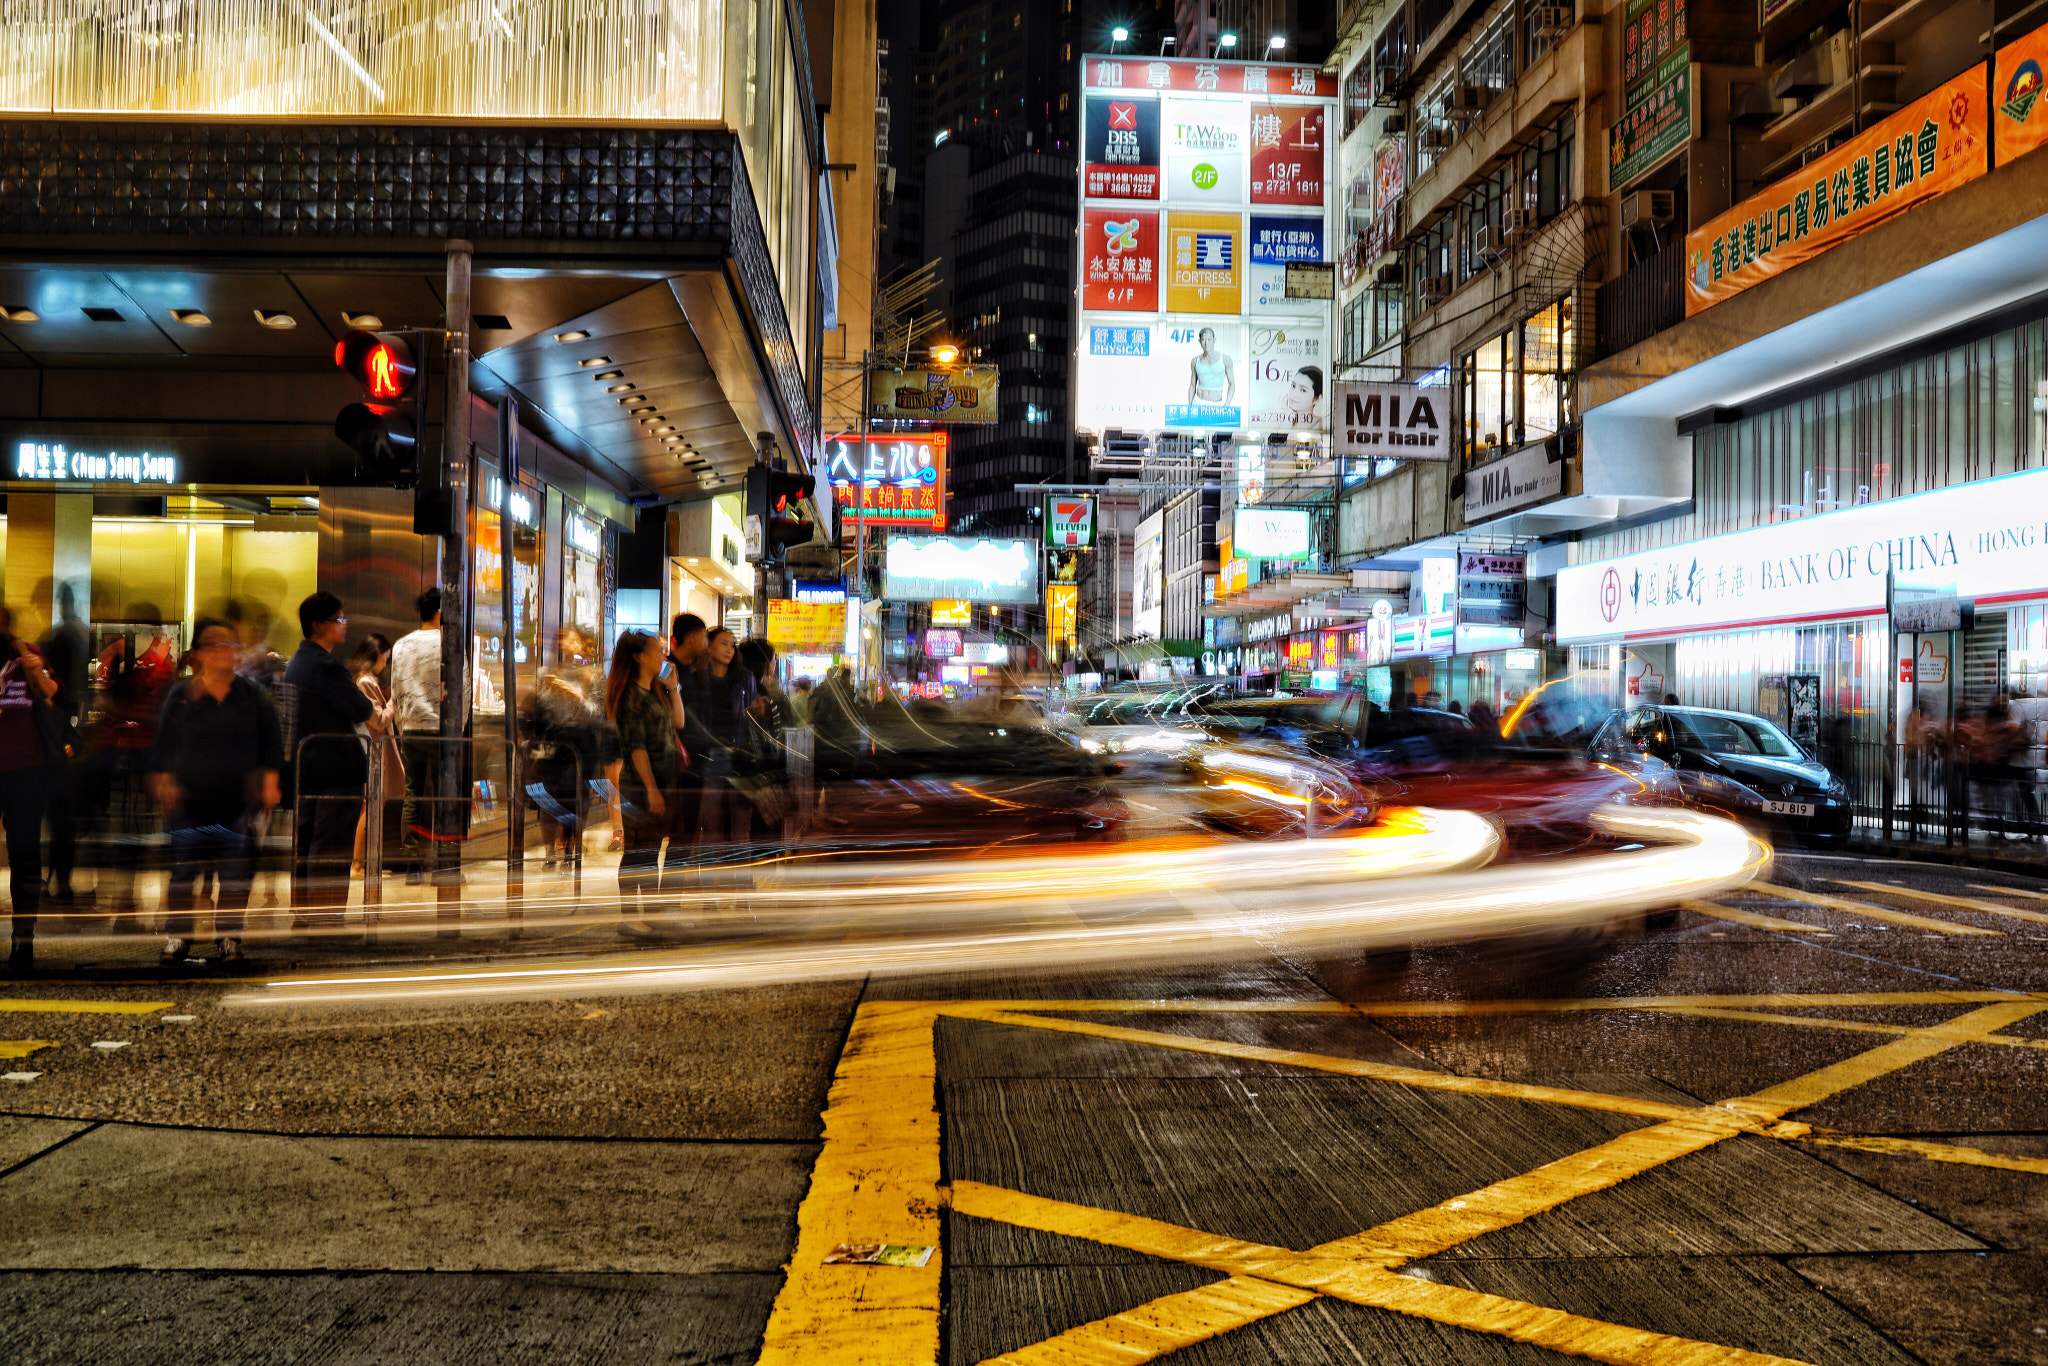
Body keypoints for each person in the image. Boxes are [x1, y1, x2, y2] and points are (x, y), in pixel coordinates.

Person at [148, 618, 283, 965]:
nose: (227, 653)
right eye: (217, 646)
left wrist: (270, 783)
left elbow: (271, 744)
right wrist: (163, 779)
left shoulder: (252, 696)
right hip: (189, 800)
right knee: (183, 872)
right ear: (200, 654)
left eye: (231, 646)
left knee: (235, 874)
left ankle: (228, 937)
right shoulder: (182, 695)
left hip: (238, 801)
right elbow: (163, 743)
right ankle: (178, 935)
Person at [284, 592, 373, 926]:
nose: (344, 625)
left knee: (307, 844)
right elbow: (361, 708)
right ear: (318, 625)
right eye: (339, 620)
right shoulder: (325, 666)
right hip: (335, 768)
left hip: (307, 767)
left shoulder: (297, 661)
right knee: (330, 846)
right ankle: (325, 916)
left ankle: (305, 912)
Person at [605, 632, 684, 920]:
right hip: (641, 786)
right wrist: (651, 789)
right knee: (641, 853)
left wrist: (673, 688)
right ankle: (633, 917)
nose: (663, 656)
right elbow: (637, 749)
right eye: (657, 651)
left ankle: (648, 916)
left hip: (663, 782)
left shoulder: (655, 691)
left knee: (647, 852)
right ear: (640, 657)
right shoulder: (630, 698)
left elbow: (679, 721)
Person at [1, 608, 61, 967]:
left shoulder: (25, 652)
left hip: (26, 770)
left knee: (24, 857)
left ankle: (24, 938)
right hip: (21, 768)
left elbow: (54, 693)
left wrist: (35, 669)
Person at [390, 588, 445, 882]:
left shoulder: (401, 645)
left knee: (413, 794)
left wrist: (400, 725)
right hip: (440, 731)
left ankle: (413, 865)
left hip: (410, 728)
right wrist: (456, 727)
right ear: (438, 611)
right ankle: (442, 863)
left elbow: (395, 689)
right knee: (444, 796)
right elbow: (461, 688)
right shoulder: (447, 643)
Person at [37, 581, 88, 908]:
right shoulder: (78, 635)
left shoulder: (54, 638)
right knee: (62, 820)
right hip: (65, 737)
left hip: (49, 737)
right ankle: (61, 881)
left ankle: (47, 879)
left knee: (47, 818)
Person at [690, 627, 757, 858]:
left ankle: (742, 886)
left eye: (732, 644)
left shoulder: (744, 678)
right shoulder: (698, 679)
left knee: (741, 827)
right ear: (709, 646)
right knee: (710, 827)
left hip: (740, 757)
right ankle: (707, 886)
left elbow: (750, 722)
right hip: (711, 758)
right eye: (723, 643)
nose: (729, 649)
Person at [348, 633, 401, 879]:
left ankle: (368, 863)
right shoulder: (366, 682)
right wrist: (393, 701)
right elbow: (378, 719)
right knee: (370, 808)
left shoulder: (366, 680)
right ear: (375, 655)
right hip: (374, 752)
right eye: (385, 658)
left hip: (376, 751)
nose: (385, 663)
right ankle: (358, 865)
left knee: (372, 808)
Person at [1187, 326, 1235, 406]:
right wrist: (1190, 406)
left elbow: (1232, 383)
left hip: (1217, 403)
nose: (1206, 343)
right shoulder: (1195, 361)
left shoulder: (1225, 359)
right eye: (1203, 340)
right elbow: (1192, 385)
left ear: (1214, 340)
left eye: (1209, 340)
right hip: (1198, 401)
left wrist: (1227, 403)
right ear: (1200, 341)